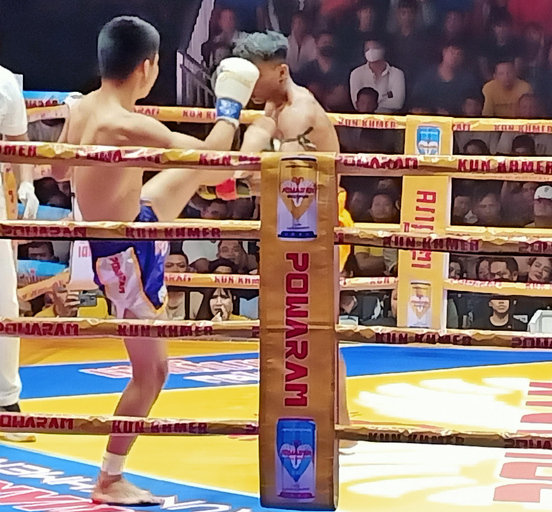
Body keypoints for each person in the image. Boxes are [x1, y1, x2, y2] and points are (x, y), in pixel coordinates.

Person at [52, 17, 261, 505]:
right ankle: (109, 477)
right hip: (123, 256)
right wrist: (229, 106)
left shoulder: (83, 107)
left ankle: (229, 185)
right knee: (153, 373)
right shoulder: (124, 125)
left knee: (189, 179)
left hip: (136, 219)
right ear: (147, 68)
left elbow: (60, 169)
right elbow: (209, 153)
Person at [232, 30, 356, 451]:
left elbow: (276, 180)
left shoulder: (299, 113)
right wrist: (234, 175)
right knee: (296, 328)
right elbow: (246, 162)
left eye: (254, 76)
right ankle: (329, 420)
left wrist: (234, 181)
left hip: (319, 226)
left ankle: (340, 426)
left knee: (316, 328)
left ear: (281, 71)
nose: (247, 85)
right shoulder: (274, 103)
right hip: (294, 223)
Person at [0, 62, 41, 443]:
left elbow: (17, 141)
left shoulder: (4, 80)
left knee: (4, 303)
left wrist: (26, 183)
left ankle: (6, 404)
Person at [349, 39, 406, 113]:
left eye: (374, 48)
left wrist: (369, 102)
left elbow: (398, 103)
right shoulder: (356, 73)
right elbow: (356, 103)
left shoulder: (397, 73)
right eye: (367, 49)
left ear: (383, 49)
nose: (371, 52)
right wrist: (385, 97)